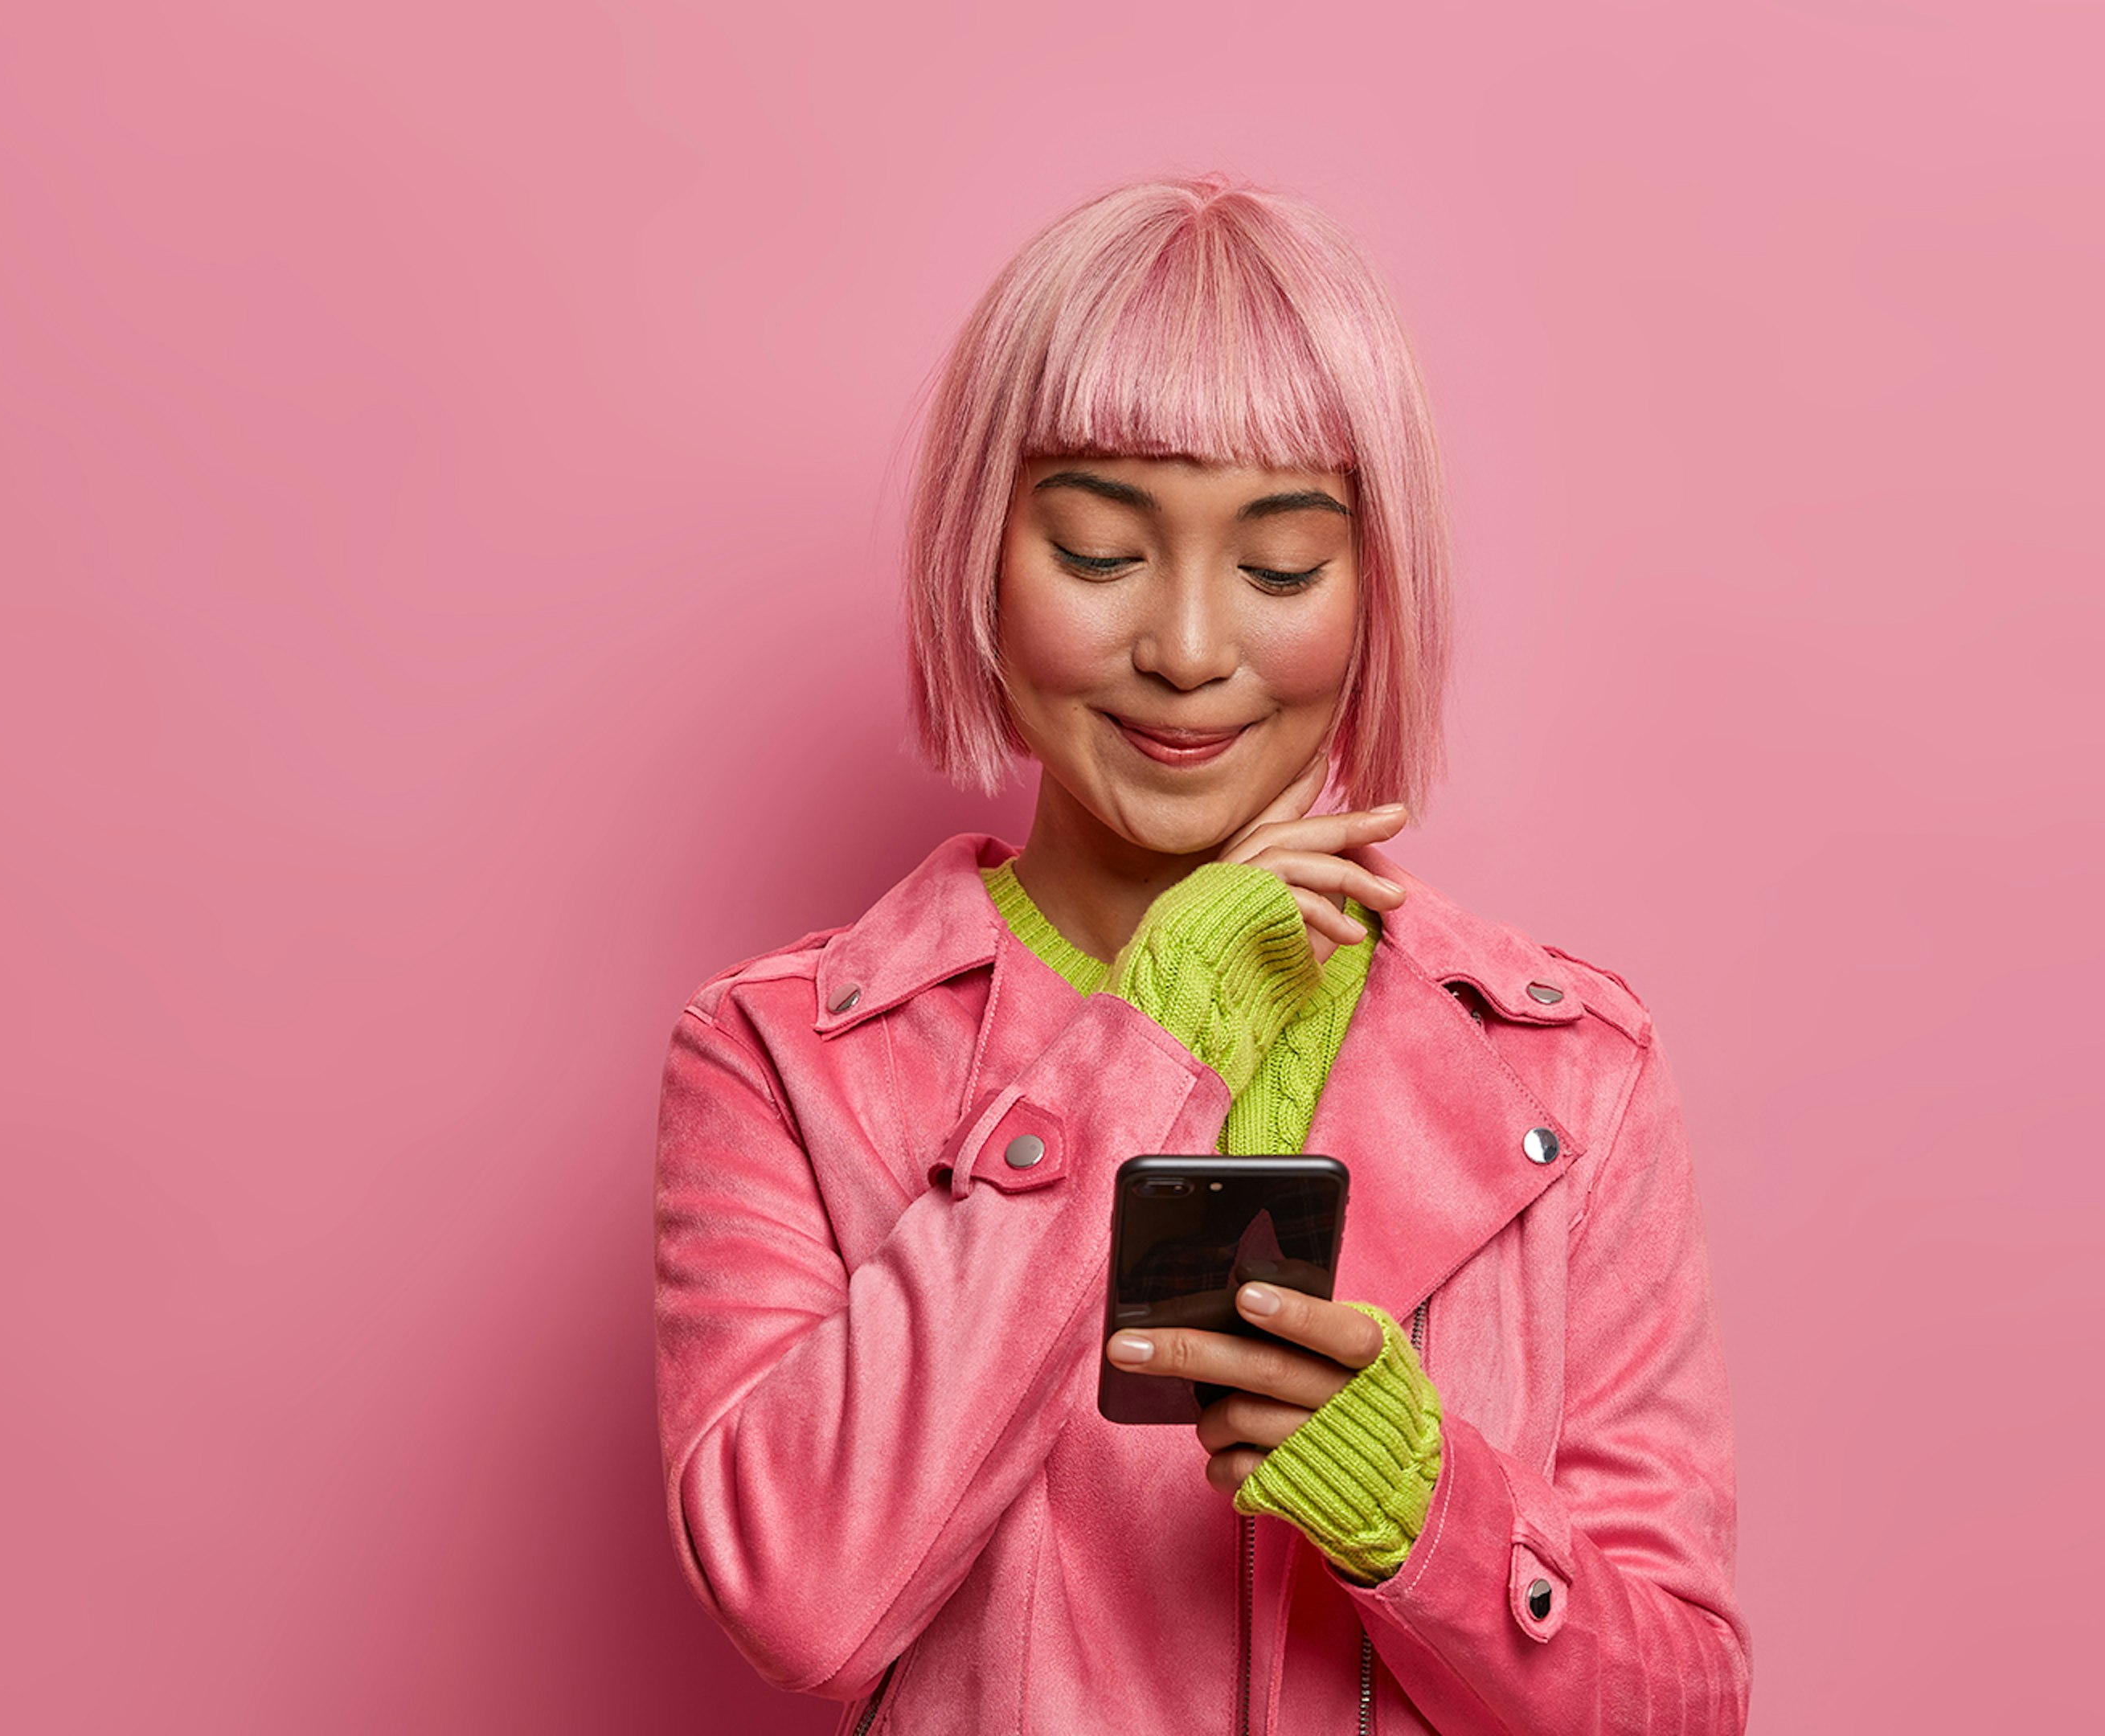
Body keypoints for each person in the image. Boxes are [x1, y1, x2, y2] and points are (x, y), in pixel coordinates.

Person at [653, 174, 1747, 1735]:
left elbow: (1684, 1705)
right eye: (1101, 551)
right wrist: (1139, 1046)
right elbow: (798, 1597)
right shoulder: (786, 1058)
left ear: (1376, 595)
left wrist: (1414, 1502)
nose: (1184, 645)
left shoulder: (1569, 1073)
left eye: (1282, 567)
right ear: (984, 563)